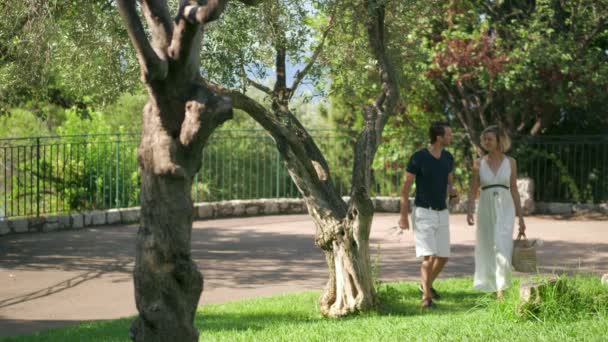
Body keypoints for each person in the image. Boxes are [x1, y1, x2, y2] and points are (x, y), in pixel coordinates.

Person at [399, 121, 459, 309]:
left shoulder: (448, 157)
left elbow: (450, 182)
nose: (451, 137)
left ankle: (425, 285)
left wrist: (453, 192)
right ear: (439, 137)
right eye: (448, 135)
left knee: (443, 256)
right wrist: (403, 216)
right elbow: (406, 187)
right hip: (423, 211)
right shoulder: (418, 157)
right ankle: (426, 298)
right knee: (428, 256)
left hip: (442, 212)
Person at [466, 125, 527, 299]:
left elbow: (514, 189)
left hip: (505, 206)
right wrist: (470, 209)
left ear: (499, 140)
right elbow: (473, 188)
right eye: (484, 139)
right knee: (487, 245)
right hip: (485, 207)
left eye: (489, 139)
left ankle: (502, 287)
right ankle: (491, 285)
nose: (486, 142)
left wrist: (521, 218)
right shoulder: (479, 163)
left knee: (502, 244)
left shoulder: (511, 162)